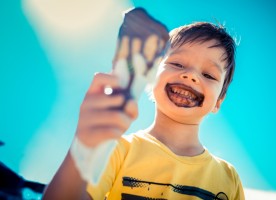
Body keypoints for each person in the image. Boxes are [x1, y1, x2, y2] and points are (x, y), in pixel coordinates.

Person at [42, 22, 245, 200]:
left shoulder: (228, 178)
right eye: (177, 63)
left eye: (209, 75)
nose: (190, 75)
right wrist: (85, 141)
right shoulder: (118, 151)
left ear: (218, 101)